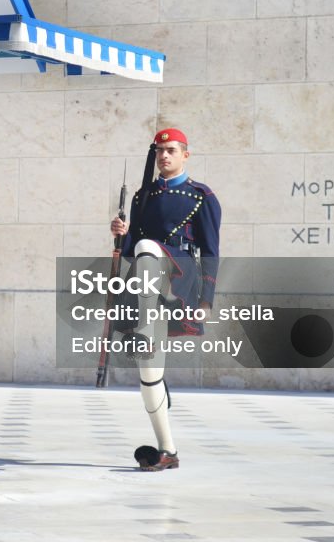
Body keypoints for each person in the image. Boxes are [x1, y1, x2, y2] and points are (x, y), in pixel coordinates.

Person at [110, 127, 221, 471]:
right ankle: (167, 450)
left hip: (179, 278)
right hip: (147, 284)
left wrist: (206, 301)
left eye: (171, 150)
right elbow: (133, 251)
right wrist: (123, 236)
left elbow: (211, 251)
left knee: (146, 247)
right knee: (148, 373)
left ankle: (141, 330)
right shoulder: (143, 197)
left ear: (186, 155)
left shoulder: (201, 196)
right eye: (159, 151)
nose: (164, 156)